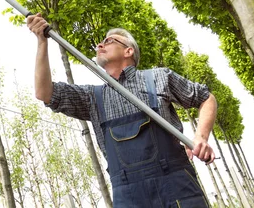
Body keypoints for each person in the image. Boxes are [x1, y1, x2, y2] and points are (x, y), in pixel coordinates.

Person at [27, 13, 217, 207]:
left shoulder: (159, 78)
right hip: (129, 196)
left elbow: (206, 98)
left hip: (177, 186)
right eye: (100, 43)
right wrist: (42, 42)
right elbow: (44, 92)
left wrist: (201, 137)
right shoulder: (92, 98)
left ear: (128, 51)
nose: (100, 45)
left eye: (108, 41)